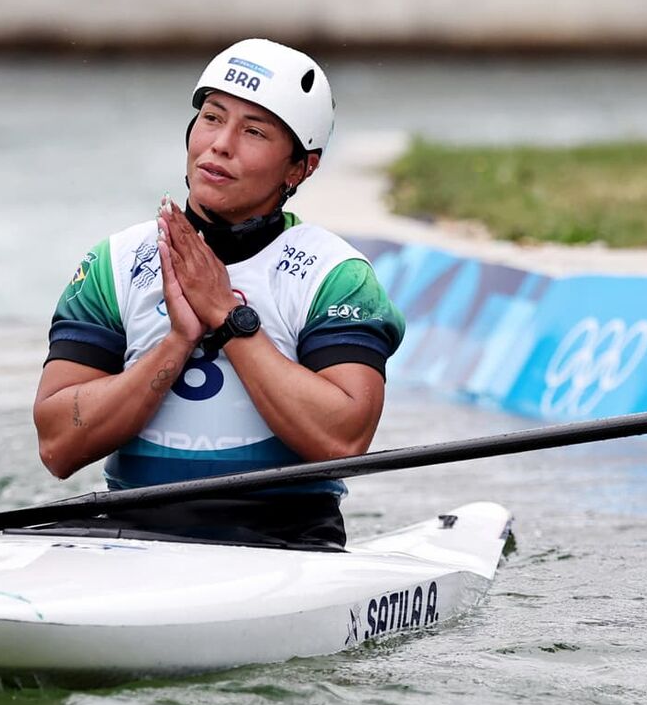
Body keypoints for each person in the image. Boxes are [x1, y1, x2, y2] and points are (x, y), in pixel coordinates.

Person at [33, 38, 405, 549]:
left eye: (253, 131)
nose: (221, 144)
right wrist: (177, 341)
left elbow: (343, 440)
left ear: (301, 167)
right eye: (212, 117)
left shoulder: (335, 275)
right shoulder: (112, 265)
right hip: (134, 531)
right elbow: (57, 445)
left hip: (286, 535)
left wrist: (228, 318)